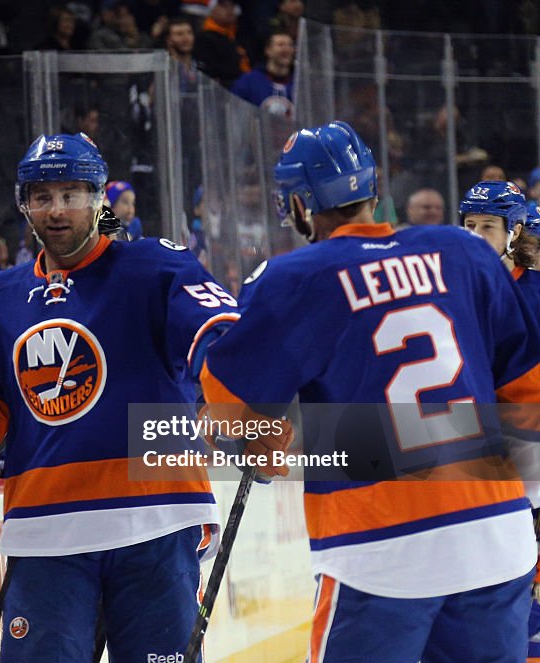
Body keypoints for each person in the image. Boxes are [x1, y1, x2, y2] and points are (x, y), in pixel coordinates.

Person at [201, 121, 540, 662]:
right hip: (496, 535)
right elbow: (525, 386)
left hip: (381, 543)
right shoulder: (462, 250)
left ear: (298, 205)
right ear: (373, 188)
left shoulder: (297, 277)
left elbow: (229, 406)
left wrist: (257, 439)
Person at [0, 133, 238, 661]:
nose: (57, 210)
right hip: (46, 535)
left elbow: (217, 336)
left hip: (158, 522)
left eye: (73, 194)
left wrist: (246, 406)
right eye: (42, 196)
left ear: (100, 199)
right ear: (23, 204)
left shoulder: (155, 267)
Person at [230, 32, 294, 116]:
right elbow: (235, 112)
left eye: (290, 45)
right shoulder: (248, 81)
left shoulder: (299, 83)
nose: (286, 49)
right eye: (280, 45)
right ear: (268, 50)